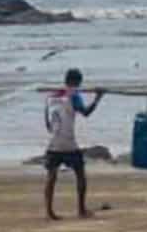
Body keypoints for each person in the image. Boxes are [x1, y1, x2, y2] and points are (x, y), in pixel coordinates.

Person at [44, 69, 105, 220]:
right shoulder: (74, 96)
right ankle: (81, 209)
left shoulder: (51, 96)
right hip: (69, 143)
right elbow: (86, 113)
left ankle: (49, 211)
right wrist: (98, 98)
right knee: (80, 174)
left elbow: (47, 123)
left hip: (53, 143)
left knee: (51, 176)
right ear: (78, 82)